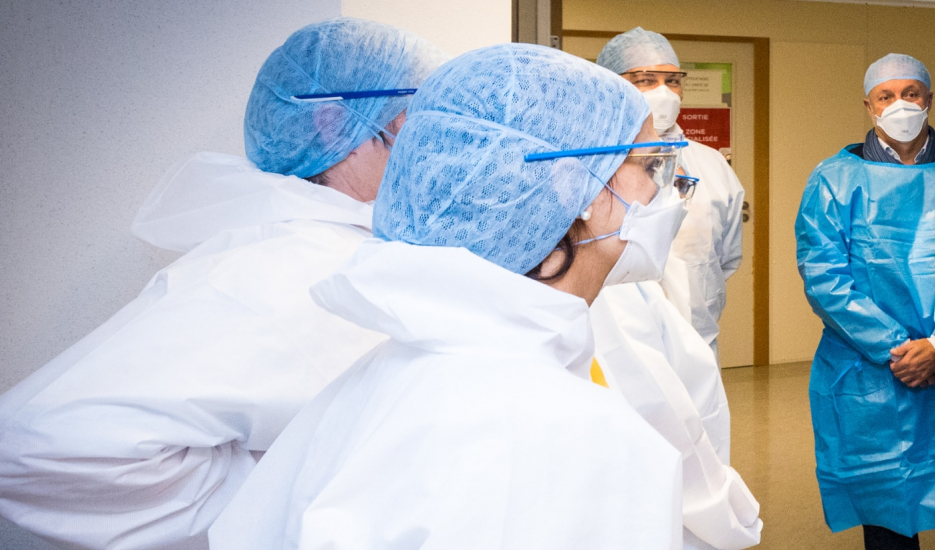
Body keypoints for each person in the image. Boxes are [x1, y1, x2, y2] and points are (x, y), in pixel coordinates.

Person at [209, 43, 686, 548]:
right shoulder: (578, 436)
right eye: (649, 166)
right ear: (577, 186)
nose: (664, 194)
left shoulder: (389, 375)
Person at [0, 18, 443, 550]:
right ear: (331, 122)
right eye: (412, 116)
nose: (433, 142)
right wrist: (279, 502)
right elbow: (36, 450)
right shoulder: (287, 268)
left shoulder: (339, 251)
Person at [795, 53, 935, 550]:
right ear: (869, 106)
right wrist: (896, 347)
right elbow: (825, 278)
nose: (900, 104)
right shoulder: (834, 180)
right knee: (885, 514)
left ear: (929, 100)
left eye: (912, 94)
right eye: (887, 96)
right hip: (871, 371)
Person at [585, 212, 764, 548]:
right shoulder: (613, 292)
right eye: (653, 166)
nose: (675, 200)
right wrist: (730, 518)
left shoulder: (640, 276)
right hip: (663, 507)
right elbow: (661, 415)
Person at [599, 27, 745, 358]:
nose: (664, 92)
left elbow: (725, 258)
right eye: (646, 80)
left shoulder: (711, 165)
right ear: (612, 83)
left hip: (696, 341)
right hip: (613, 348)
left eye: (673, 80)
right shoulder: (588, 161)